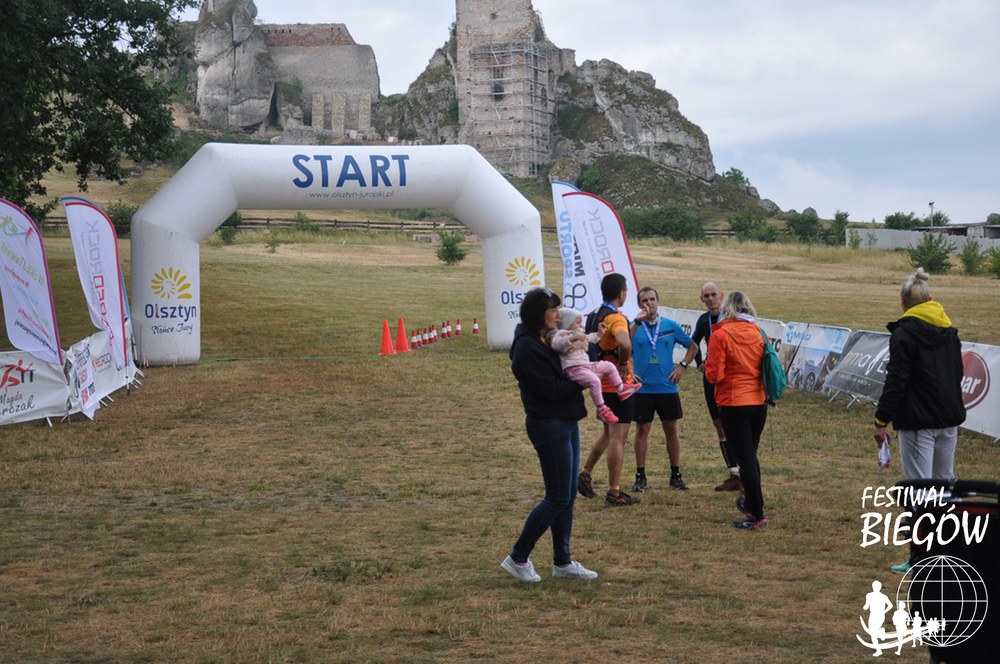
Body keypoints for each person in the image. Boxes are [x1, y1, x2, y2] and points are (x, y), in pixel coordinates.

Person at [502, 287, 599, 582]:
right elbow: (550, 389)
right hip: (548, 423)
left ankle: (562, 562)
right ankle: (518, 557)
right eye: (553, 310)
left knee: (567, 496)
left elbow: (572, 361)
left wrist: (582, 347)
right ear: (538, 314)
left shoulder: (545, 339)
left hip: (565, 420)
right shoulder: (527, 347)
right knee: (557, 496)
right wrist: (582, 380)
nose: (558, 315)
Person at [873, 267, 965, 573]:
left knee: (920, 491)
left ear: (904, 301)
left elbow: (896, 380)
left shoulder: (905, 334)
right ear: (929, 299)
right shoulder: (949, 331)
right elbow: (958, 374)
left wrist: (881, 418)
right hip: (948, 419)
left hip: (918, 422)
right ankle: (948, 551)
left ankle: (921, 558)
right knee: (945, 486)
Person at [705, 291, 769, 530]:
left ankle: (756, 512)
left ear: (727, 309)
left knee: (745, 459)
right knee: (750, 455)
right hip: (759, 401)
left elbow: (715, 374)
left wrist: (708, 368)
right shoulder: (759, 332)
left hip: (734, 402)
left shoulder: (721, 335)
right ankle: (752, 503)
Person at [578, 273, 642, 506]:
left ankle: (585, 474)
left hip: (600, 379)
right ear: (622, 293)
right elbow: (624, 343)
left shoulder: (595, 314)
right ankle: (614, 491)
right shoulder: (616, 317)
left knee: (608, 432)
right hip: (616, 385)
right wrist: (624, 362)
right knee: (618, 437)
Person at [629, 287, 698, 492]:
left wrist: (682, 366)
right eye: (644, 300)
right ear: (639, 304)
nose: (648, 304)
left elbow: (693, 346)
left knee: (671, 429)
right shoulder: (634, 326)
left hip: (667, 387)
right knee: (642, 429)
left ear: (658, 301)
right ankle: (640, 476)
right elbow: (619, 350)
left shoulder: (669, 325)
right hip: (642, 389)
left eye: (652, 299)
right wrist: (628, 372)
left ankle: (675, 475)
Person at [547, 307, 641, 424]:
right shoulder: (559, 334)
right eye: (577, 323)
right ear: (567, 323)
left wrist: (599, 334)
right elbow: (557, 345)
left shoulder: (577, 333)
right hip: (573, 369)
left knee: (609, 366)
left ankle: (621, 389)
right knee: (595, 381)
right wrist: (571, 339)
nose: (580, 325)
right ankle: (601, 408)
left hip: (586, 365)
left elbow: (589, 338)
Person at [691, 282, 742, 492]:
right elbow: (694, 343)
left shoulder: (731, 318)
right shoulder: (704, 320)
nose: (710, 299)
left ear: (721, 296)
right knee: (719, 424)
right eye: (706, 296)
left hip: (730, 378)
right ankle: (734, 474)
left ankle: (745, 472)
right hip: (711, 378)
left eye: (713, 295)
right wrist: (698, 362)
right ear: (701, 299)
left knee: (735, 424)